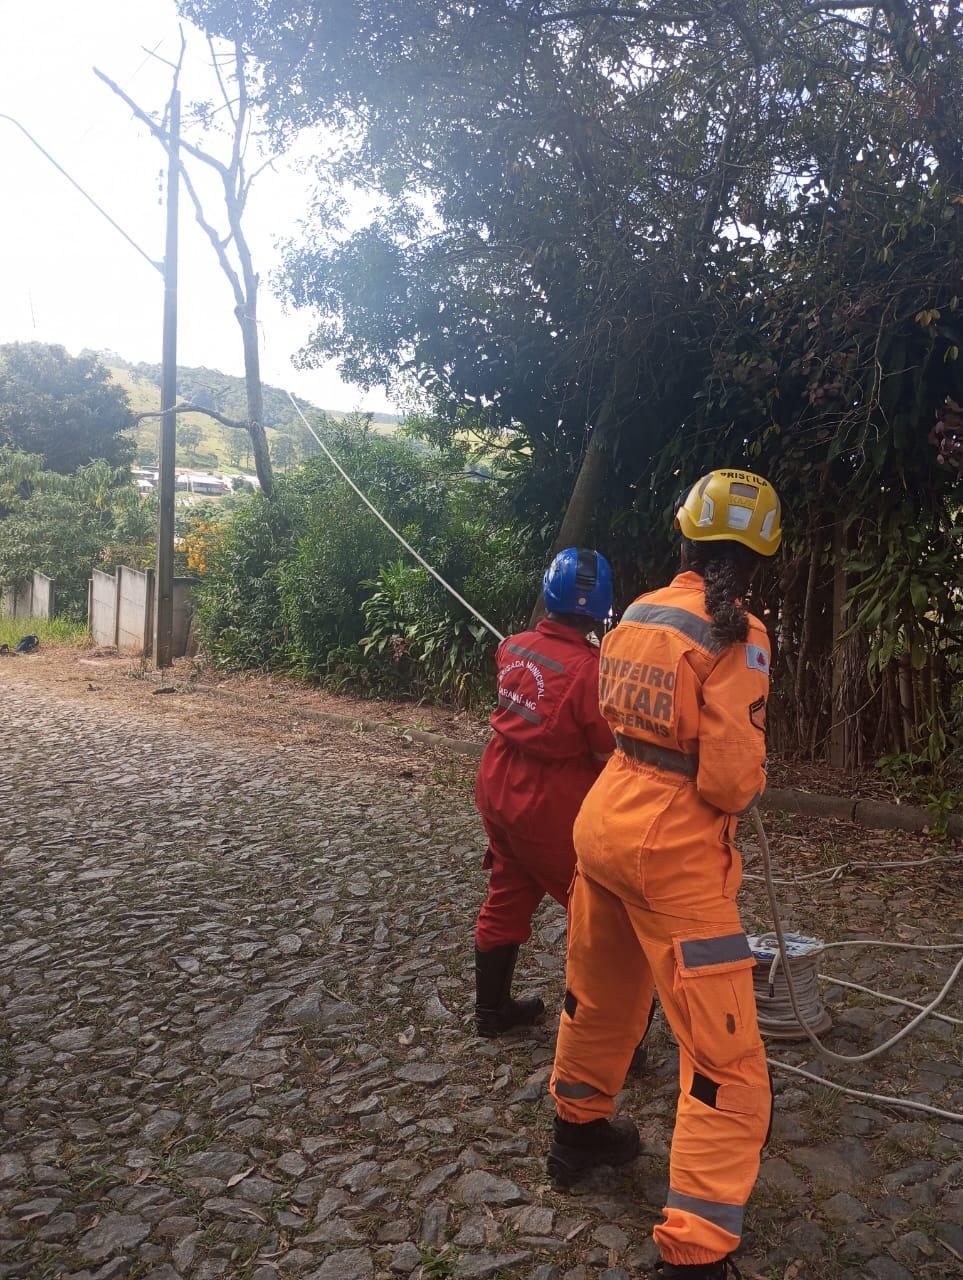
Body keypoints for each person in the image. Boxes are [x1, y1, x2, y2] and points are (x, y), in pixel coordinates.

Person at [546, 469, 782, 1280]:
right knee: (725, 1060)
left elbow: (619, 719)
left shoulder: (638, 609)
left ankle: (576, 1134)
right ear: (757, 559)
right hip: (674, 855)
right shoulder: (738, 636)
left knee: (601, 995)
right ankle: (695, 1249)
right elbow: (727, 782)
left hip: (602, 823)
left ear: (684, 537)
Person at [473, 547, 617, 1037]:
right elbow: (605, 751)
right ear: (600, 609)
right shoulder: (592, 671)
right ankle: (605, 1039)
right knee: (597, 914)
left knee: (507, 892)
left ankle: (491, 1013)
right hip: (548, 805)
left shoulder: (511, 645)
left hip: (497, 787)